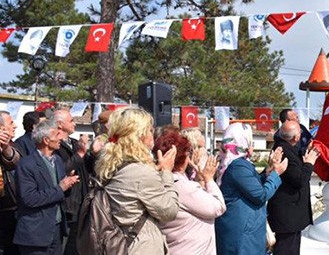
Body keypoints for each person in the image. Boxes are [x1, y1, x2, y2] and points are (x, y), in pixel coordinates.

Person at [95, 107, 179, 255]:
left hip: (120, 243)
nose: (152, 135)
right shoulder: (141, 173)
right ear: (140, 135)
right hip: (141, 247)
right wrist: (166, 173)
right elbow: (169, 212)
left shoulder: (111, 165)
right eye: (149, 130)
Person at [215, 123, 288, 255]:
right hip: (242, 233)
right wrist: (276, 175)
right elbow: (260, 196)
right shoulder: (238, 166)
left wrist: (268, 172)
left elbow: (249, 186)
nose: (251, 145)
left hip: (240, 228)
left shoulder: (235, 163)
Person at [13, 120, 80, 255]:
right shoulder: (27, 164)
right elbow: (29, 199)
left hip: (56, 230)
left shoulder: (58, 161)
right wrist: (61, 188)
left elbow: (60, 193)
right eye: (56, 135)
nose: (60, 138)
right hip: (36, 233)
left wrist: (68, 185)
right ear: (46, 140)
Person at [156, 130, 226, 255]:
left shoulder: (158, 182)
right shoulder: (183, 187)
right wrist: (209, 179)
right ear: (183, 159)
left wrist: (200, 178)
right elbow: (218, 207)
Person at [267, 120, 319, 255]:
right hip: (287, 216)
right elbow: (299, 180)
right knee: (286, 250)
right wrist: (309, 163)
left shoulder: (287, 148)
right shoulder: (285, 152)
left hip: (291, 215)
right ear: (296, 137)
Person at [53, 109, 98, 255]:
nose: (74, 123)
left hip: (81, 203)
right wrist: (79, 154)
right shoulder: (54, 145)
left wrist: (93, 154)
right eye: (71, 120)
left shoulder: (74, 143)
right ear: (60, 124)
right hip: (68, 205)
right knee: (65, 247)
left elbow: (88, 168)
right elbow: (61, 170)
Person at [0, 110, 21, 255]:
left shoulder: (12, 145)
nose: (15, 126)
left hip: (10, 208)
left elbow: (15, 162)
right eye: (11, 123)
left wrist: (5, 147)